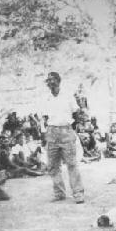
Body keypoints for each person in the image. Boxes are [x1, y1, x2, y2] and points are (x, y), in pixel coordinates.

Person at [41, 72, 84, 203]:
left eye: (53, 80)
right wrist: (44, 133)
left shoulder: (67, 96)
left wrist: (72, 129)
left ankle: (78, 193)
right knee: (53, 166)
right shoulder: (45, 98)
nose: (50, 83)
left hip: (66, 130)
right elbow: (44, 118)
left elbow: (76, 113)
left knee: (71, 164)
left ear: (59, 81)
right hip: (51, 132)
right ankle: (59, 193)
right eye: (48, 81)